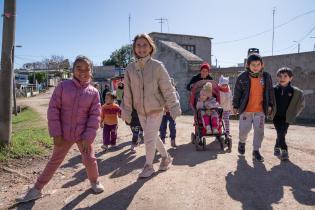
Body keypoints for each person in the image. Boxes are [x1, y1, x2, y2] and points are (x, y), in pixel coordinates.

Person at [16, 56, 104, 203]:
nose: (83, 71)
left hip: (83, 136)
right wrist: (56, 133)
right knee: (54, 161)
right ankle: (36, 189)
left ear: (91, 71)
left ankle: (94, 182)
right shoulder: (63, 87)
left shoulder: (93, 92)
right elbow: (53, 110)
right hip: (63, 135)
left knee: (90, 159)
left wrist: (88, 137)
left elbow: (95, 115)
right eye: (79, 68)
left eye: (87, 69)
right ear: (72, 70)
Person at [121, 33, 181, 178]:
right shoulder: (130, 68)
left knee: (148, 137)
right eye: (138, 45)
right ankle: (166, 158)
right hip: (140, 111)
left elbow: (167, 87)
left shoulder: (157, 66)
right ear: (134, 48)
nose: (141, 48)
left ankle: (148, 166)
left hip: (156, 108)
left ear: (150, 47)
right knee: (152, 136)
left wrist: (173, 106)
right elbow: (127, 92)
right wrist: (126, 111)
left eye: (144, 45)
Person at [233, 53, 274, 162]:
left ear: (262, 65)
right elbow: (237, 92)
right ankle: (242, 142)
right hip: (246, 110)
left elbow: (270, 91)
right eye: (253, 65)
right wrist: (235, 105)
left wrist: (270, 104)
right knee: (244, 129)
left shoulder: (266, 76)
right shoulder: (242, 77)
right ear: (248, 65)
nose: (256, 67)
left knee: (259, 131)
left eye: (258, 64)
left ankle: (256, 151)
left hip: (260, 110)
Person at [271, 67, 305, 161]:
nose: (282, 78)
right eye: (280, 76)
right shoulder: (273, 89)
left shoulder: (296, 92)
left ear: (291, 78)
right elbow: (268, 101)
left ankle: (276, 147)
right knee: (280, 132)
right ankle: (284, 150)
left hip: (287, 117)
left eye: (285, 76)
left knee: (282, 132)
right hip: (276, 116)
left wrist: (294, 114)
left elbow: (301, 105)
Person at [159, 78, 179, 147]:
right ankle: (162, 139)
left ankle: (173, 139)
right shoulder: (161, 92)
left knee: (172, 125)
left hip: (171, 112)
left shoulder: (174, 92)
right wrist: (164, 107)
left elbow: (177, 100)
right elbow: (159, 101)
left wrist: (171, 107)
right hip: (163, 112)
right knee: (162, 126)